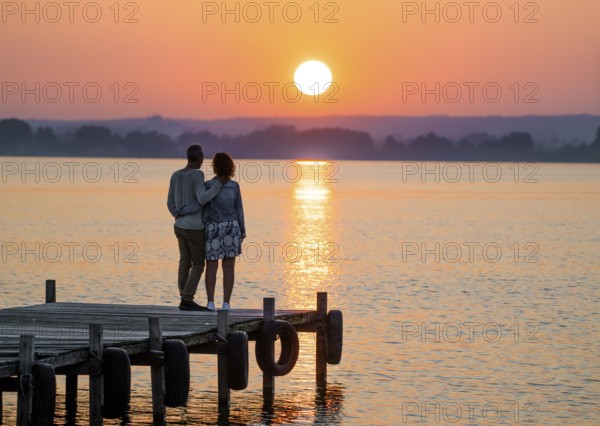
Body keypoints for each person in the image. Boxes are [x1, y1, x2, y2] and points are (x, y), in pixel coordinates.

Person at [167, 145, 224, 311]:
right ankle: (187, 298)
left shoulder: (175, 175)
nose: (203, 161)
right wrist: (218, 184)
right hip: (194, 227)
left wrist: (178, 216)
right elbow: (202, 198)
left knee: (184, 261)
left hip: (178, 226)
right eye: (202, 158)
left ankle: (183, 295)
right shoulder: (197, 174)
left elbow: (170, 203)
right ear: (199, 158)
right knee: (198, 264)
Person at [203, 153, 245, 311]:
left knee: (211, 265)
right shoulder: (234, 186)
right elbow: (239, 209)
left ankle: (210, 302)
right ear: (230, 167)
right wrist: (242, 229)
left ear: (215, 167)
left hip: (213, 227)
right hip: (231, 228)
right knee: (229, 267)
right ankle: (226, 303)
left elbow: (204, 209)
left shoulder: (208, 185)